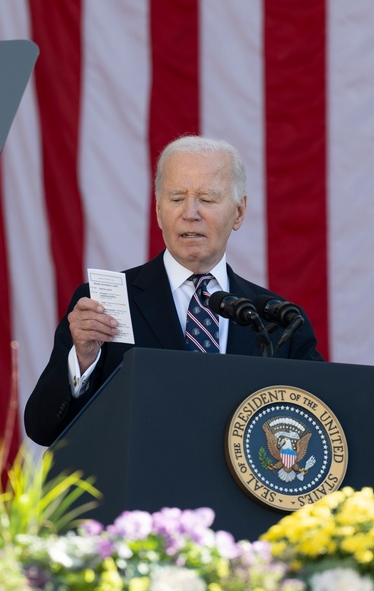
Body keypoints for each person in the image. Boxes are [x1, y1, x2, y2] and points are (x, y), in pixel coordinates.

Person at [24, 135, 324, 446]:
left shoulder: (279, 319)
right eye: (177, 198)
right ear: (158, 210)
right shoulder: (106, 303)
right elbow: (42, 428)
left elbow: (320, 423)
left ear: (239, 211)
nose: (190, 213)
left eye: (207, 199)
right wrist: (83, 360)